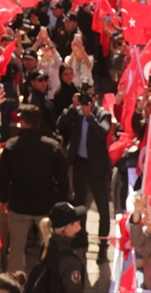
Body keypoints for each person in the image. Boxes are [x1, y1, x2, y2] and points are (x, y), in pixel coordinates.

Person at [0, 104, 70, 274]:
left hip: (19, 205)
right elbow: (63, 179)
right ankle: (48, 280)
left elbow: (3, 177)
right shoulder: (52, 146)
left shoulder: (11, 146)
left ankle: (16, 285)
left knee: (15, 249)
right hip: (46, 206)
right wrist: (61, 203)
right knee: (49, 247)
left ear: (22, 122)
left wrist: (4, 200)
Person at [57, 90, 113, 261]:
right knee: (80, 205)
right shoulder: (77, 112)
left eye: (89, 98)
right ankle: (81, 238)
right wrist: (72, 107)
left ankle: (103, 246)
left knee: (103, 208)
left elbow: (103, 133)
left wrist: (90, 116)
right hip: (79, 164)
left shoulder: (103, 115)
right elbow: (60, 124)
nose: (85, 101)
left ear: (96, 99)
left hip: (97, 167)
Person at [27, 202, 87, 293]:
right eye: (76, 220)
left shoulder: (47, 244)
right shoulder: (71, 262)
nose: (79, 221)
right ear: (68, 227)